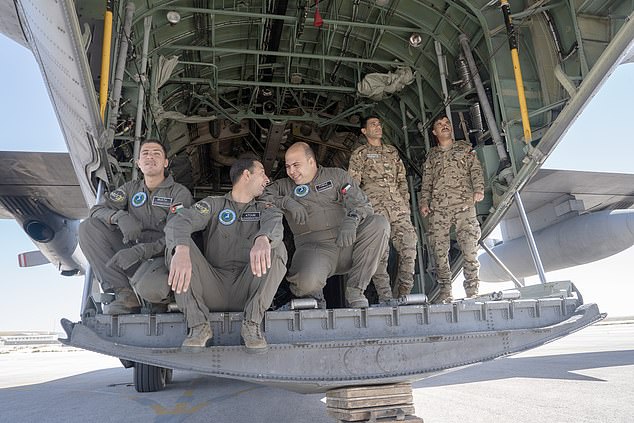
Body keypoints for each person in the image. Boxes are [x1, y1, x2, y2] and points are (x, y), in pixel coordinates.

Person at [165, 158, 287, 353]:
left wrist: (263, 239)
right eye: (262, 172)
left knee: (278, 249)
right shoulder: (214, 205)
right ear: (246, 175)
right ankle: (198, 326)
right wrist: (180, 249)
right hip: (212, 286)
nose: (267, 179)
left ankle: (252, 324)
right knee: (177, 244)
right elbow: (181, 222)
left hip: (247, 288)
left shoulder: (265, 208)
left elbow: (275, 225)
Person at [261, 142, 389, 308]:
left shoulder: (336, 176)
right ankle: (316, 303)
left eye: (296, 165)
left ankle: (356, 289)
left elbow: (361, 203)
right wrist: (286, 202)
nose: (291, 171)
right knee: (306, 283)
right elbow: (260, 198)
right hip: (314, 250)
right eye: (287, 166)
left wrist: (352, 219)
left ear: (311, 162)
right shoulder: (283, 186)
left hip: (347, 242)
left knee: (379, 223)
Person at [79, 139, 193, 314]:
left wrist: (143, 250)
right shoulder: (130, 189)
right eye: (145, 153)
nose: (150, 157)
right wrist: (118, 216)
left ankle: (162, 297)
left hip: (163, 258)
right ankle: (125, 294)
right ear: (138, 163)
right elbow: (96, 210)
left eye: (157, 153)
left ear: (165, 162)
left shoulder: (179, 193)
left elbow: (178, 234)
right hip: (131, 253)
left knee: (152, 289)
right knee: (88, 228)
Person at [348, 115, 418, 300]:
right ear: (364, 131)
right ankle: (385, 297)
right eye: (373, 124)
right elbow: (353, 185)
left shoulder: (392, 152)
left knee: (410, 245)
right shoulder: (360, 154)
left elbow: (401, 180)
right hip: (375, 208)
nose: (378, 127)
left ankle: (403, 294)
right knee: (381, 254)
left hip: (398, 207)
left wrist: (405, 203)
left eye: (379, 123)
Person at [419, 115, 485, 303]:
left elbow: (476, 170)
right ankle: (446, 291)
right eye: (440, 125)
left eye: (447, 123)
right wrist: (424, 202)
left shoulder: (464, 148)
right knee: (440, 252)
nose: (445, 126)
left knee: (470, 248)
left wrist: (479, 189)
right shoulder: (432, 156)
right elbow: (427, 182)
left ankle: (472, 289)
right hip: (439, 209)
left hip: (464, 204)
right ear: (434, 132)